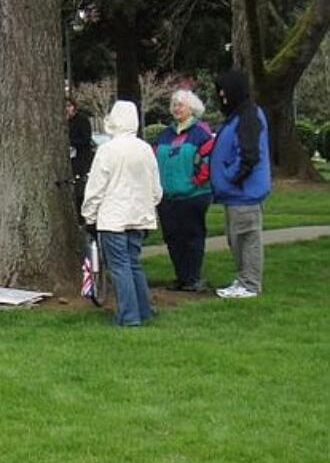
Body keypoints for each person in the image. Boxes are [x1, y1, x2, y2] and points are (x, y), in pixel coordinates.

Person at [81, 100, 163, 327]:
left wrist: (89, 215)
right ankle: (143, 309)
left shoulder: (107, 150)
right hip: (139, 216)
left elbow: (96, 187)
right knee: (133, 263)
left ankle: (129, 316)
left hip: (113, 217)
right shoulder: (145, 149)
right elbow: (156, 189)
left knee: (119, 267)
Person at [210, 69, 271, 299]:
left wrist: (231, 176)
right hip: (235, 193)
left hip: (243, 192)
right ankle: (244, 278)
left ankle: (250, 284)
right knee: (236, 238)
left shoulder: (248, 116)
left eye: (224, 90)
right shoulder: (238, 115)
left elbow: (249, 154)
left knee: (246, 237)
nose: (222, 95)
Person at [153, 89, 215, 293]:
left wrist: (197, 180)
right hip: (168, 196)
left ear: (192, 108)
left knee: (192, 235)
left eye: (181, 104)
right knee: (172, 237)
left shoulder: (200, 132)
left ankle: (193, 277)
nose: (176, 108)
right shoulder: (165, 134)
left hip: (193, 195)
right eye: (174, 104)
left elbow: (209, 161)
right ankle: (181, 276)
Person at [67, 98, 95, 212]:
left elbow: (86, 140)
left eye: (69, 106)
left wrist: (71, 142)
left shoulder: (82, 120)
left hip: (81, 158)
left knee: (80, 187)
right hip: (71, 158)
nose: (67, 109)